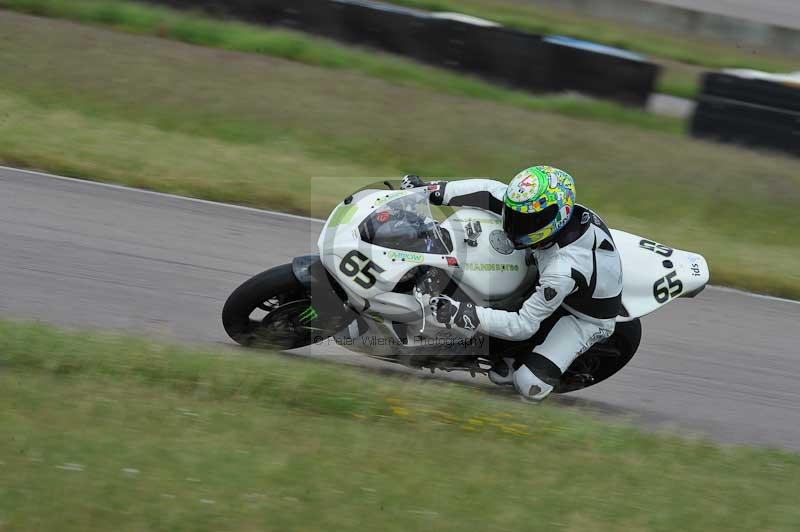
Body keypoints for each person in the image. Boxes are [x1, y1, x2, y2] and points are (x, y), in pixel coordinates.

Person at [401, 166, 623, 401]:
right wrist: (430, 190)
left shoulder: (562, 270)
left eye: (526, 221)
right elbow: (487, 190)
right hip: (550, 269)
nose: (514, 225)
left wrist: (456, 313)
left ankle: (521, 360)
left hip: (582, 317)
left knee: (527, 385)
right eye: (513, 215)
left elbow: (523, 325)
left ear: (554, 218)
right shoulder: (537, 211)